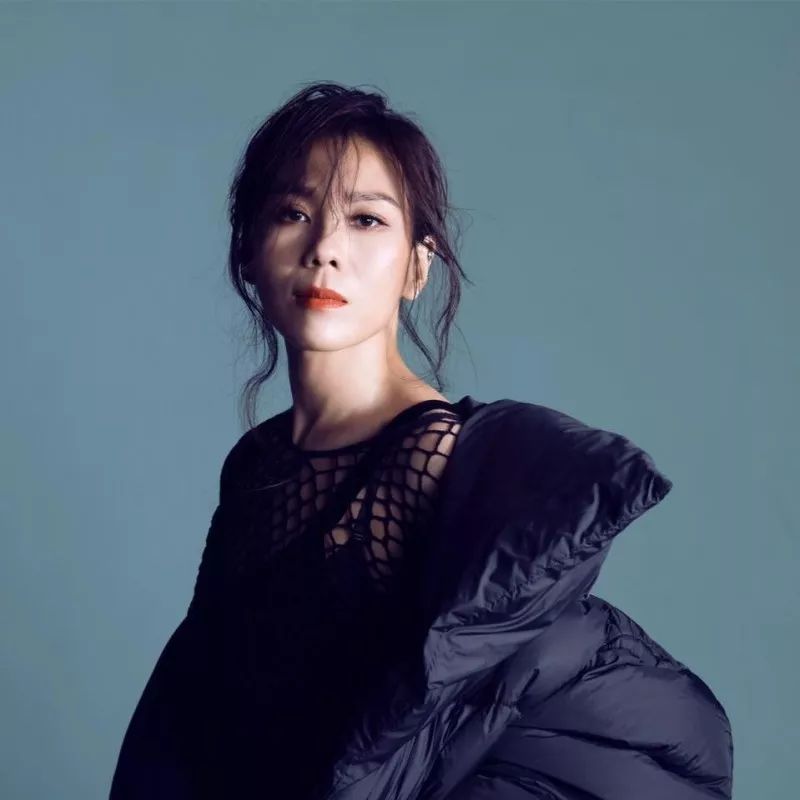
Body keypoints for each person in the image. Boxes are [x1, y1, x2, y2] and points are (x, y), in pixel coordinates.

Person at [109, 82, 733, 799]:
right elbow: (214, 703)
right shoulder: (258, 463)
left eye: (366, 220)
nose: (325, 250)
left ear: (416, 266)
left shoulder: (430, 456)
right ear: (248, 250)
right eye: (293, 213)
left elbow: (450, 713)